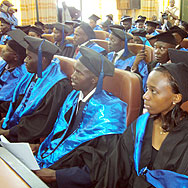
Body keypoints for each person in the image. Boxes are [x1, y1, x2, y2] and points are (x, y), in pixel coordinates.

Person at [98, 49, 188, 188]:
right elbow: (114, 170)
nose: (145, 96)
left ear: (176, 98)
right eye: (147, 89)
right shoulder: (141, 125)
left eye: (153, 91)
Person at [34, 46, 127, 188]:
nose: (72, 75)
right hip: (54, 164)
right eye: (74, 69)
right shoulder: (73, 96)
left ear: (94, 79)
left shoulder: (110, 112)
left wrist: (56, 176)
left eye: (79, 72)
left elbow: (102, 166)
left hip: (73, 179)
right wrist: (39, 146)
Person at [0, 35, 72, 143]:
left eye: (29, 57)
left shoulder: (57, 85)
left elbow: (40, 121)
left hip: (32, 138)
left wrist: (9, 132)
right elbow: (20, 101)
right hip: (17, 128)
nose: (24, 61)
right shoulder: (32, 74)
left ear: (42, 60)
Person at [107, 28, 148, 92]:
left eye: (113, 40)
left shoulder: (134, 59)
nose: (109, 43)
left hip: (123, 91)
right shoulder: (109, 55)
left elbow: (139, 82)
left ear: (123, 43)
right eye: (109, 39)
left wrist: (135, 65)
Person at [0, 30, 27, 107]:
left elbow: (7, 97)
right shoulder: (3, 63)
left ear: (15, 56)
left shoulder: (21, 74)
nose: (3, 50)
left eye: (7, 50)